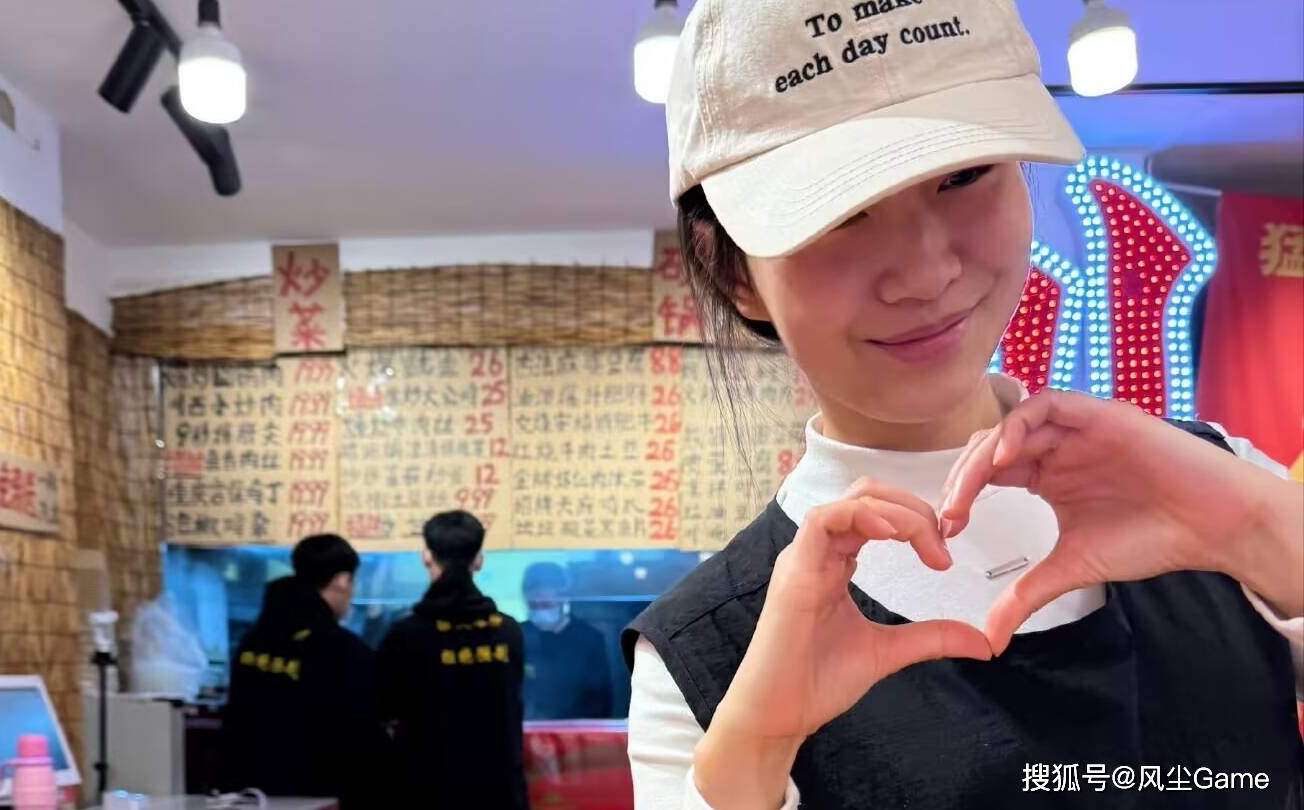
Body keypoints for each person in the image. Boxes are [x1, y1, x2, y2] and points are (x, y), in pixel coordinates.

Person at [622, 1, 1304, 807]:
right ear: (734, 273)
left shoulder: (1221, 480)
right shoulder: (701, 664)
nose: (925, 274)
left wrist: (1262, 530)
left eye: (963, 175)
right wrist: (755, 750)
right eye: (840, 215)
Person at [222, 534, 389, 805]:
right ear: (342, 580)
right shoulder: (343, 649)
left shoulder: (252, 641)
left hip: (252, 793)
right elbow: (363, 736)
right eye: (353, 582)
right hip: (319, 795)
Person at [378, 511, 529, 809]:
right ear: (479, 560)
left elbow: (384, 712)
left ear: (426, 557)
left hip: (424, 793)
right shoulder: (509, 632)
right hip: (499, 795)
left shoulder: (405, 635)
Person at [520, 562, 613, 719]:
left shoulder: (589, 638)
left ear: (563, 597)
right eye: (533, 606)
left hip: (577, 727)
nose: (540, 610)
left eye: (545, 604)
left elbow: (602, 699)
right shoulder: (518, 635)